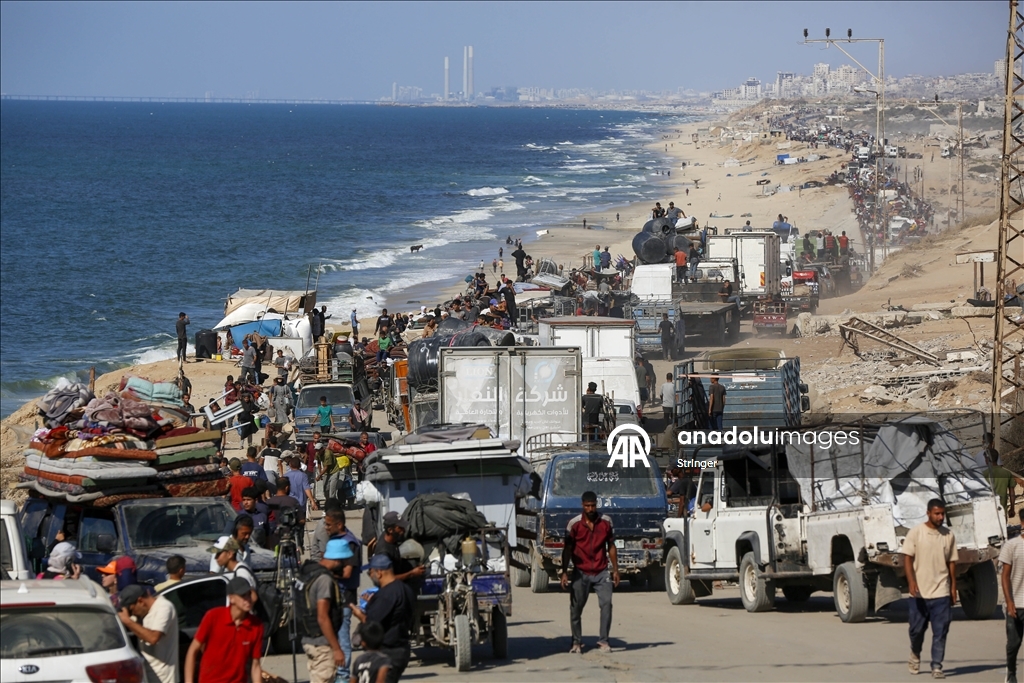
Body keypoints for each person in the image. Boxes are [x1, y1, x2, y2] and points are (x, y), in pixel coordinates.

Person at [903, 498, 958, 679]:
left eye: (942, 513)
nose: (941, 517)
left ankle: (937, 665)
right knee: (916, 630)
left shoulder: (948, 535)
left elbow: (951, 562)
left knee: (941, 631)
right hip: (919, 592)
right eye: (937, 513)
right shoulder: (916, 533)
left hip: (941, 591)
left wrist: (953, 587)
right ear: (928, 513)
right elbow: (907, 559)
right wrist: (911, 581)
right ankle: (915, 653)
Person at [560, 491, 619, 654]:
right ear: (582, 505)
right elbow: (568, 549)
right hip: (581, 572)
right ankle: (577, 642)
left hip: (601, 571)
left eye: (593, 505)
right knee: (576, 608)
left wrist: (615, 570)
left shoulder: (606, 522)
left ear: (596, 504)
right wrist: (564, 572)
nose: (590, 509)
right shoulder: (574, 524)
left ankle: (604, 641)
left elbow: (611, 547)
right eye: (587, 506)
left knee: (606, 604)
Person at [184, 577, 263, 683]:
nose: (248, 599)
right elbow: (192, 651)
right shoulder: (213, 617)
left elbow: (255, 665)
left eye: (249, 594)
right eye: (243, 595)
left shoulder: (256, 626)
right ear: (231, 598)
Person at [350, 555, 416, 683]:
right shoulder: (406, 590)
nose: (370, 576)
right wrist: (373, 604)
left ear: (379, 572)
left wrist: (360, 615)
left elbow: (371, 625)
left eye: (371, 572)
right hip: (401, 648)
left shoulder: (386, 594)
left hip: (388, 651)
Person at [301, 538, 351, 683]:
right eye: (345, 561)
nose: (346, 566)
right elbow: (322, 617)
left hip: (309, 639)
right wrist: (336, 649)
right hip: (321, 643)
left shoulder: (308, 572)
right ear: (338, 559)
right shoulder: (324, 579)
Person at [118, 584, 179, 683]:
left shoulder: (164, 607)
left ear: (141, 601)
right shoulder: (143, 613)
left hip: (164, 678)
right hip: (147, 675)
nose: (133, 614)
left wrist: (127, 621)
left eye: (132, 610)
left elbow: (153, 638)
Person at [1002, 509, 1024, 683]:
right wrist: (1009, 601)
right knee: (1013, 644)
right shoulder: (1012, 545)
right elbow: (1004, 576)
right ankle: (1011, 672)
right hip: (1016, 603)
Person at [373, 511, 425, 583]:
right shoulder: (384, 553)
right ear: (390, 530)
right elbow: (387, 579)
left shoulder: (389, 536)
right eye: (400, 528)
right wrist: (412, 573)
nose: (403, 530)